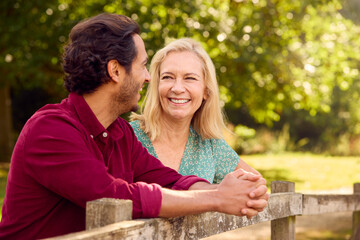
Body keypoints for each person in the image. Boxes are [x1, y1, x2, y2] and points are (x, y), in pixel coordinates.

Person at [0, 13, 268, 239]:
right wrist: (217, 199)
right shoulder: (50, 129)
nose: (148, 77)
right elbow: (114, 196)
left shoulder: (120, 133)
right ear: (115, 71)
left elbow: (169, 180)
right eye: (142, 66)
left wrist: (229, 192)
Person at [130, 38, 259, 183]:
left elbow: (256, 183)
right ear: (157, 85)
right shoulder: (128, 138)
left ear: (206, 91)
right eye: (168, 77)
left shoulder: (209, 144)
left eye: (190, 78)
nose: (177, 88)